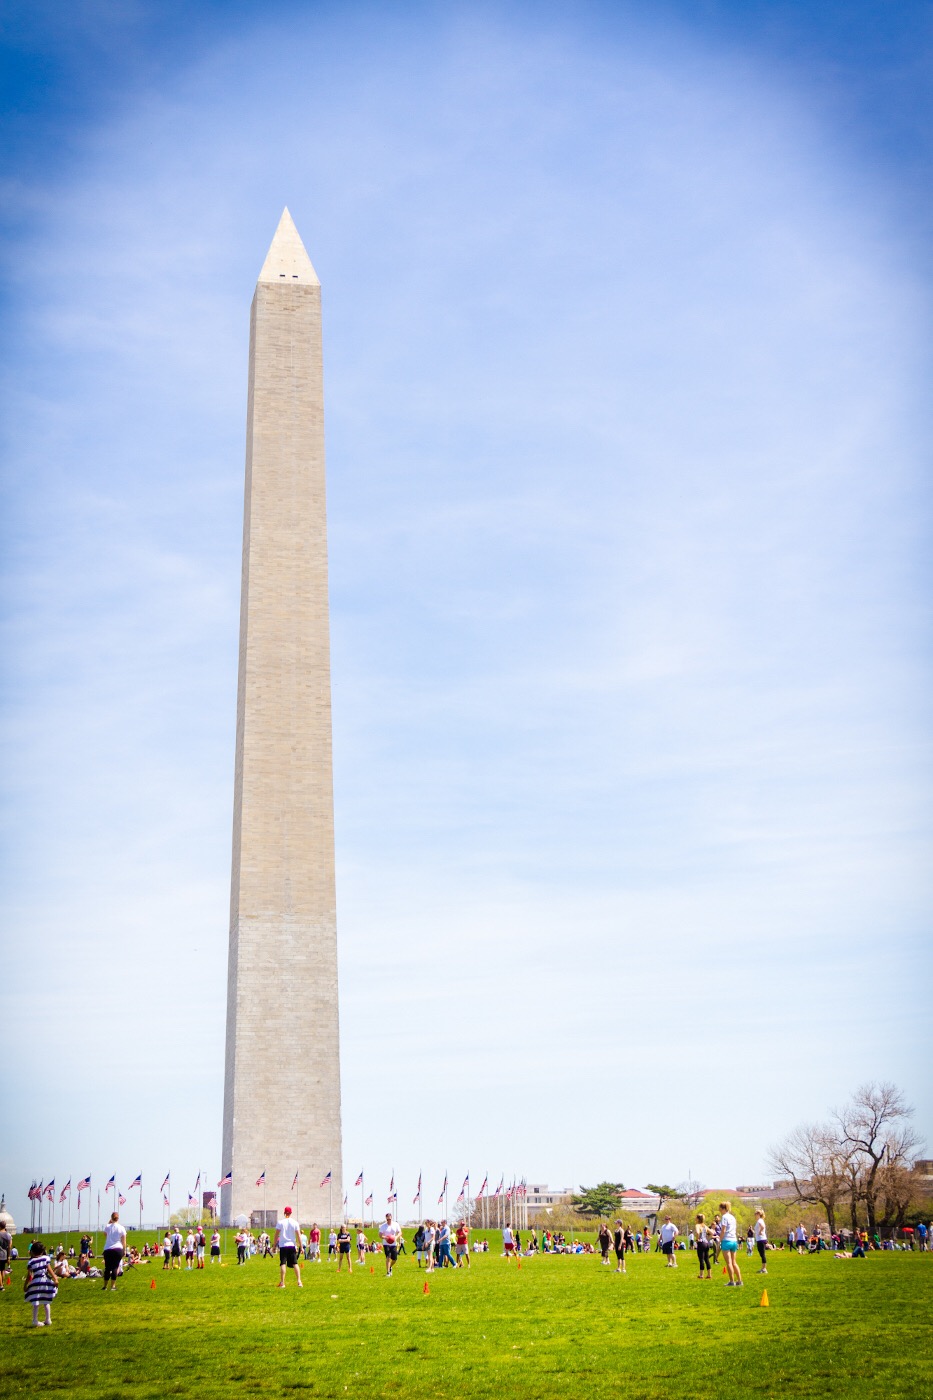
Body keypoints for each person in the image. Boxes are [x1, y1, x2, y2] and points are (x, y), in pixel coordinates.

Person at [24, 1240, 57, 1327]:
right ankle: (48, 1319)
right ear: (42, 1251)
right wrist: (55, 1278)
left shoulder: (31, 1262)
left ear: (32, 1251)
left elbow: (29, 1275)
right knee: (47, 1300)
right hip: (45, 1280)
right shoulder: (46, 1258)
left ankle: (35, 1320)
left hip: (36, 1281)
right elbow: (49, 1269)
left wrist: (25, 1285)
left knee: (36, 1301)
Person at [274, 1206, 303, 1288]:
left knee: (283, 1263)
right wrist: (301, 1247)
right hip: (291, 1245)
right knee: (295, 1263)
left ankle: (282, 1283)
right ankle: (299, 1281)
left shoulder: (280, 1222)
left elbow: (276, 1234)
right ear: (291, 1213)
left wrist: (274, 1245)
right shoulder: (295, 1222)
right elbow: (298, 1235)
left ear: (284, 1213)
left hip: (283, 1246)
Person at [719, 1202, 743, 1287]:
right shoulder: (732, 1217)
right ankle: (740, 1281)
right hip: (734, 1241)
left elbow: (723, 1230)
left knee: (729, 1263)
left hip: (726, 1240)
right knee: (734, 1262)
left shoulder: (724, 1217)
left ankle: (732, 1281)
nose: (719, 1210)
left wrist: (720, 1240)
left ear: (723, 1209)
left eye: (720, 1208)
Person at [102, 1211, 126, 1291]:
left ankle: (105, 1286)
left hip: (108, 1249)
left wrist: (110, 1221)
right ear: (118, 1218)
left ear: (111, 1218)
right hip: (118, 1248)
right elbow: (124, 1241)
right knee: (115, 1267)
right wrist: (124, 1250)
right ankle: (113, 1286)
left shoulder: (108, 1227)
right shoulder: (121, 1227)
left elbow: (105, 1235)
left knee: (107, 1268)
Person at [694, 1214, 712, 1280]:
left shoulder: (697, 1225)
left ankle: (701, 1275)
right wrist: (707, 1239)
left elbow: (698, 1232)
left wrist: (697, 1239)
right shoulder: (705, 1226)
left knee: (701, 1259)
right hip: (706, 1243)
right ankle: (709, 1274)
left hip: (701, 1243)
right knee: (707, 1259)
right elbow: (712, 1233)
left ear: (698, 1219)